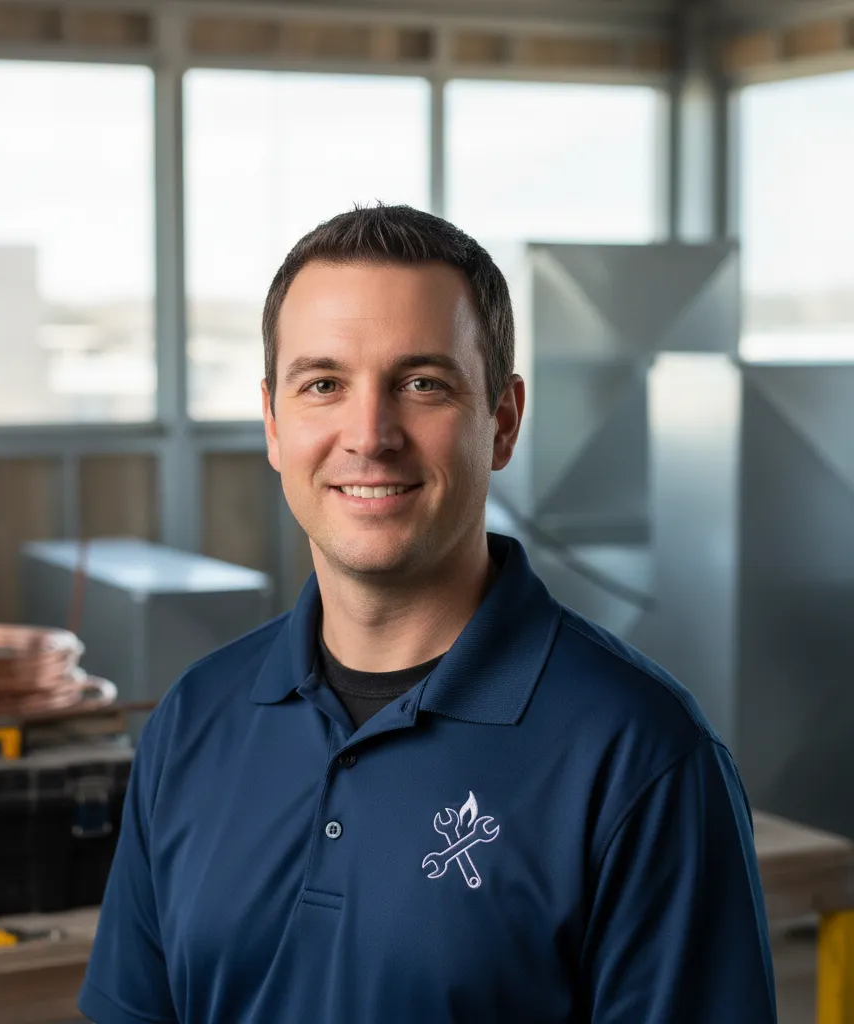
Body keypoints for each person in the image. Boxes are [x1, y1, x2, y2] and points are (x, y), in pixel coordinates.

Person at [78, 205, 777, 1023]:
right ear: (273, 422)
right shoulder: (194, 721)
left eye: (422, 384)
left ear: (503, 421)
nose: (369, 435)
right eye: (324, 384)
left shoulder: (639, 757)